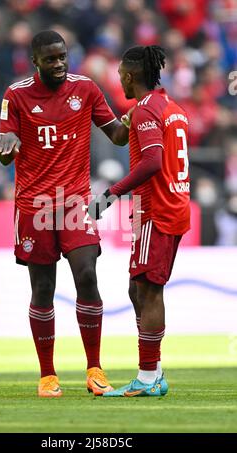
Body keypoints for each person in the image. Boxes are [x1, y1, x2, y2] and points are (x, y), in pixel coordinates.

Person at [0, 30, 129, 397]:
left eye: (62, 57)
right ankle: (48, 375)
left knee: (87, 275)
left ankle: (95, 369)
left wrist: (138, 117)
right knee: (43, 288)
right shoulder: (16, 94)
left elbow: (116, 134)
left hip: (74, 202)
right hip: (34, 206)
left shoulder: (85, 88)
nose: (58, 64)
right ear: (34, 61)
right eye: (50, 59)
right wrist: (6, 150)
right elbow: (6, 150)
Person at [88, 45, 190, 397]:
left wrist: (108, 195)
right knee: (139, 288)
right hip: (171, 205)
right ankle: (154, 371)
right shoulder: (170, 107)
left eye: (121, 77)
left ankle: (148, 377)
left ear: (130, 76)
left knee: (148, 291)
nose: (120, 82)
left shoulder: (146, 110)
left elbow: (151, 163)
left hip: (156, 210)